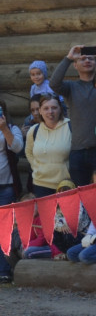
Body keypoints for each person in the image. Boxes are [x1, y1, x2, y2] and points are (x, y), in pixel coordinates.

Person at [50, 43, 96, 186]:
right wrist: (68, 58)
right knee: (82, 199)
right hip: (77, 151)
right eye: (82, 59)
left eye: (91, 58)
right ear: (75, 65)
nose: (87, 61)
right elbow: (54, 84)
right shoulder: (70, 87)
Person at [22, 94, 71, 197]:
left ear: (60, 109)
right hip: (40, 185)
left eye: (54, 107)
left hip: (65, 184)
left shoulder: (70, 127)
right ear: (40, 111)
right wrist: (36, 167)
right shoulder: (33, 130)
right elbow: (29, 152)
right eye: (46, 108)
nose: (50, 112)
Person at [0, 99, 24, 282]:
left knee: (5, 230)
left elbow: (17, 148)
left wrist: (4, 129)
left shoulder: (11, 128)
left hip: (6, 186)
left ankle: (4, 270)